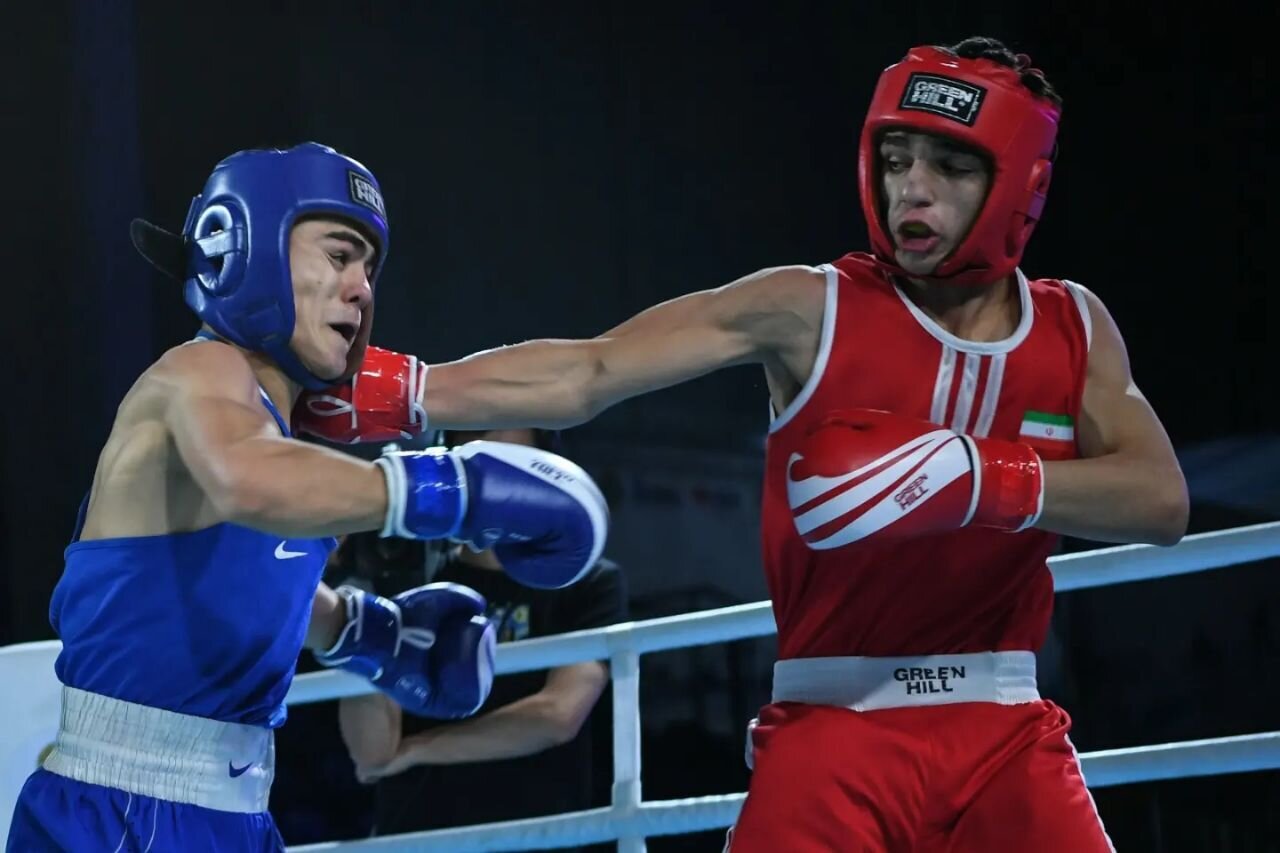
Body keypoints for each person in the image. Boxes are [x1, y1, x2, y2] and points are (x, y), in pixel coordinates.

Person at [294, 37, 1189, 850]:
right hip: (834, 723)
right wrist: (402, 392)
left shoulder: (1072, 327)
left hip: (1004, 726)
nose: (910, 188)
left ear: (1020, 185)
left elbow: (1161, 498)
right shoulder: (812, 307)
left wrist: (976, 474)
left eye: (949, 166)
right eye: (895, 157)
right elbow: (594, 368)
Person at [5, 143, 609, 852]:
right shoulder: (199, 372)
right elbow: (244, 475)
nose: (361, 289)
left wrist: (367, 631)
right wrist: (448, 488)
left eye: (370, 269)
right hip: (122, 815)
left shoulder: (275, 431)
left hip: (234, 813)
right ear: (252, 246)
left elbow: (236, 576)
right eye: (339, 254)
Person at [337, 428, 628, 845]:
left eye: (514, 467)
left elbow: (559, 715)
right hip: (417, 833)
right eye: (483, 466)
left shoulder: (587, 582)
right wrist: (362, 613)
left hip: (537, 833)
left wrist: (418, 750)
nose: (497, 486)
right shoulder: (412, 575)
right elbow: (372, 754)